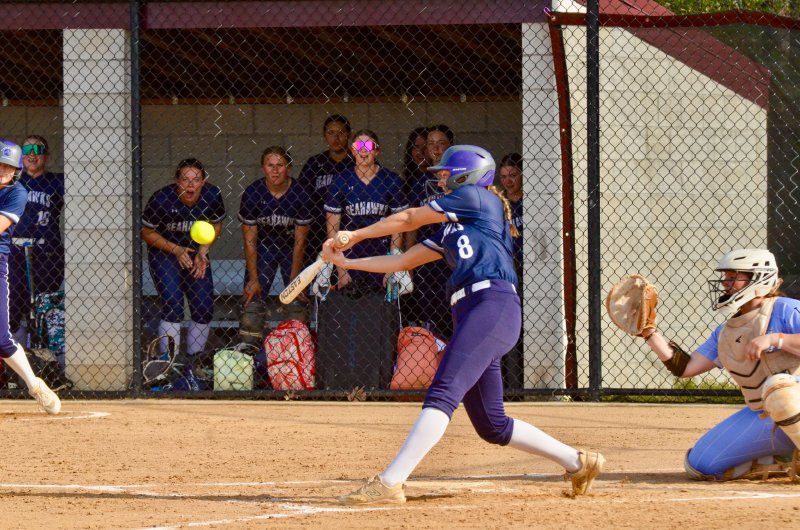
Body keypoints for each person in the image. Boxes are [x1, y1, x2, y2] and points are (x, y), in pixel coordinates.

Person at [322, 145, 602, 504]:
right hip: (474, 313)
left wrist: (356, 234)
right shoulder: (454, 227)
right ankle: (578, 462)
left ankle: (390, 482)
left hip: (491, 305)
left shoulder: (477, 198)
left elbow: (408, 219)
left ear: (466, 175)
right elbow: (404, 261)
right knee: (492, 424)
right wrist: (348, 261)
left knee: (442, 393)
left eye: (446, 172)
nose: (440, 178)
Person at [639, 248, 800, 480]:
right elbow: (685, 368)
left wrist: (777, 339)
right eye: (726, 277)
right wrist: (649, 333)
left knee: (779, 388)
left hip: (793, 401)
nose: (725, 283)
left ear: (760, 278)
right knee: (701, 465)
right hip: (765, 414)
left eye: (734, 277)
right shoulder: (725, 332)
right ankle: (786, 460)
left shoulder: (786, 309)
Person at [142, 158, 226, 366]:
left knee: (204, 305)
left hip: (196, 251)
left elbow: (216, 225)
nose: (190, 185)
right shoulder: (162, 198)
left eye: (196, 179)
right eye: (185, 179)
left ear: (203, 182)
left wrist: (203, 251)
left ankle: (194, 361)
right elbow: (146, 232)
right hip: (166, 252)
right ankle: (168, 363)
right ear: (176, 181)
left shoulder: (212, 195)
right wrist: (176, 249)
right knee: (173, 303)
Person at [0, 140, 60, 413]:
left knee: (2, 338)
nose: (3, 171)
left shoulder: (17, 193)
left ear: (16, 171)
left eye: (8, 167)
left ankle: (34, 385)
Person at [323, 129, 408, 292]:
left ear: (376, 150)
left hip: (381, 252)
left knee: (381, 305)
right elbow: (332, 229)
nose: (363, 150)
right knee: (351, 304)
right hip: (349, 253)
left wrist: (392, 266)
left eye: (368, 145)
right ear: (352, 150)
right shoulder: (341, 180)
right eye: (358, 145)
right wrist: (341, 269)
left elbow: (398, 228)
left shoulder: (391, 181)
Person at [9, 135, 65, 351]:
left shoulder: (57, 181)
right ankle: (19, 358)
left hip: (47, 252)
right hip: (14, 253)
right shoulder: (11, 182)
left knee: (44, 304)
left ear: (46, 155)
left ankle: (44, 356)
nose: (32, 154)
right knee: (13, 304)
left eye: (37, 149)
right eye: (27, 150)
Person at [239, 146, 311, 306]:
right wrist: (253, 279)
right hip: (264, 246)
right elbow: (249, 241)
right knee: (253, 303)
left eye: (280, 165)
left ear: (289, 168)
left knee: (297, 304)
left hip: (291, 246)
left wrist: (295, 280)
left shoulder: (301, 192)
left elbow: (300, 241)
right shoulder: (253, 193)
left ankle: (297, 330)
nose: (275, 171)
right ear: (263, 168)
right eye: (270, 165)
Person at [404, 124, 455, 337]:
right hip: (427, 255)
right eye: (431, 144)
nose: (435, 148)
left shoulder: (458, 178)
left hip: (453, 252)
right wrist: (408, 260)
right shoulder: (420, 183)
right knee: (430, 309)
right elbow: (411, 224)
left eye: (441, 143)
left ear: (450, 146)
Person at [297, 114, 355, 265]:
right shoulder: (315, 163)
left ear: (348, 134)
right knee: (318, 276)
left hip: (351, 228)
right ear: (324, 136)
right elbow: (301, 197)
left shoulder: (358, 162)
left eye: (341, 133)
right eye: (331, 133)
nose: (336, 138)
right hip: (318, 230)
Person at [499, 153, 525, 390]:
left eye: (513, 175)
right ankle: (511, 385)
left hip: (529, 270)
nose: (508, 181)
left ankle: (524, 384)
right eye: (504, 176)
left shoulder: (532, 203)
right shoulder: (499, 206)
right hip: (507, 271)